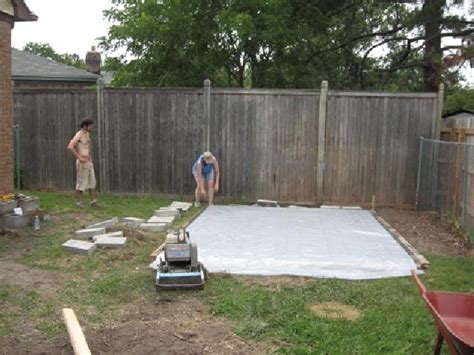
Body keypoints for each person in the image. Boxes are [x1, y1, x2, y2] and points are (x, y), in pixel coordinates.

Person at [67, 118, 97, 208]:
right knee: (81, 183)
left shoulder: (87, 134)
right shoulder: (79, 135)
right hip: (82, 162)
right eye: (90, 126)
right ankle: (79, 203)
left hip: (88, 161)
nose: (92, 127)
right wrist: (79, 157)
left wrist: (89, 156)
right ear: (85, 126)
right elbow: (70, 146)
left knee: (92, 182)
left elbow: (87, 146)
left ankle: (93, 201)